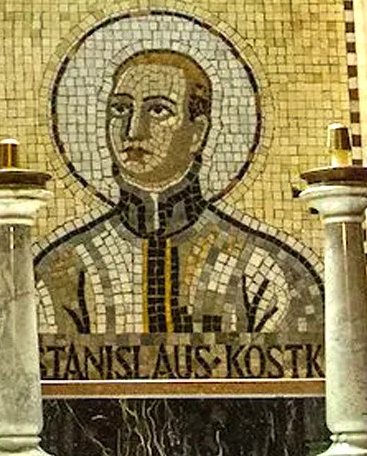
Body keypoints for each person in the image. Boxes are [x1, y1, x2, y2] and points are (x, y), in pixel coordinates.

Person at [36, 49, 322, 340]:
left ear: (198, 132)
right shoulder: (63, 268)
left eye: (158, 110)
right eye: (120, 109)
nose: (134, 130)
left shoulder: (269, 270)